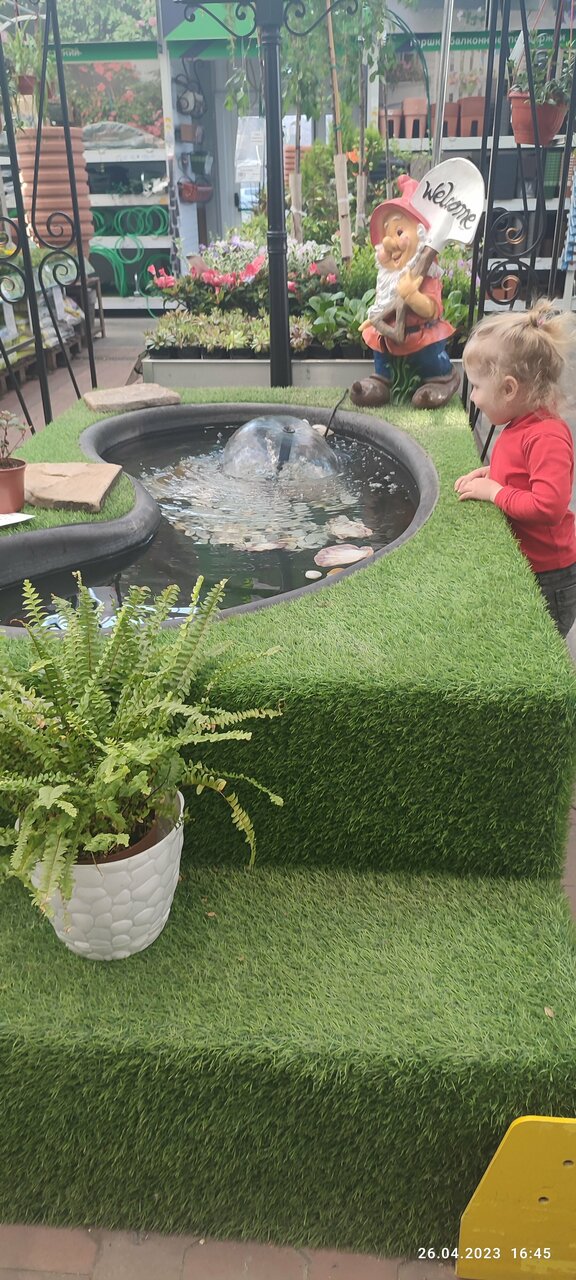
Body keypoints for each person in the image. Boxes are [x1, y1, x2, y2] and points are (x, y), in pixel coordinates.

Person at [454, 301, 576, 637]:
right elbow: (520, 473)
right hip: (530, 562)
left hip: (550, 573)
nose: (473, 397)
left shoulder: (547, 436)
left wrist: (496, 492)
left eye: (477, 387)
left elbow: (548, 506)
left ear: (509, 389)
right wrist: (492, 474)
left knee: (540, 642)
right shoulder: (520, 423)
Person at [350, 174, 460, 410]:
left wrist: (413, 296)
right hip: (388, 337)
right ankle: (381, 382)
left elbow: (431, 310)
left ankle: (440, 380)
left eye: (399, 232)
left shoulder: (427, 277)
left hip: (419, 336)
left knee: (428, 359)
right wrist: (374, 318)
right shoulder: (387, 278)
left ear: (421, 235)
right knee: (381, 353)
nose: (389, 243)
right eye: (386, 235)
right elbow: (383, 303)